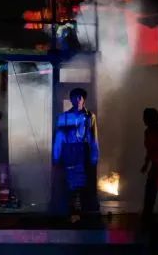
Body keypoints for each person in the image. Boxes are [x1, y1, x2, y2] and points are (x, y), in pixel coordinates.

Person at [53, 88, 99, 223]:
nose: (77, 100)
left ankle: (84, 214)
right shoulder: (64, 117)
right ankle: (72, 213)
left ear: (84, 99)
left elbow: (94, 137)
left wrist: (95, 155)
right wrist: (56, 155)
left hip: (84, 151)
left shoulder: (90, 116)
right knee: (71, 183)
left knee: (84, 183)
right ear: (71, 100)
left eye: (80, 97)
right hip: (69, 151)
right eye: (75, 97)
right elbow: (59, 138)